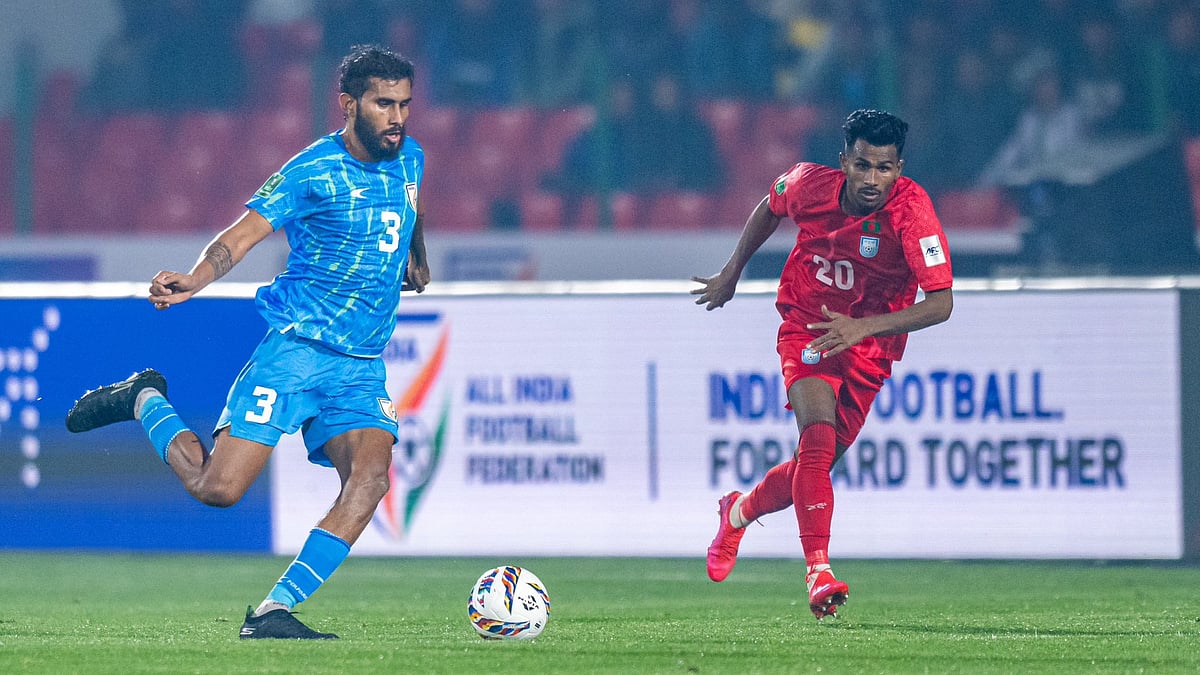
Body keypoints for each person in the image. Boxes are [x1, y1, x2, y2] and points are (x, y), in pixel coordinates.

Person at [64, 44, 430, 640]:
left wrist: (416, 259)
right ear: (348, 104)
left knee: (372, 480)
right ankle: (144, 399)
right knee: (218, 490)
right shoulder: (312, 169)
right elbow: (243, 236)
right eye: (383, 104)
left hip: (360, 366)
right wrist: (194, 280)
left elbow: (412, 210)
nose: (397, 118)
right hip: (297, 350)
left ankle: (271, 612)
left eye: (404, 105)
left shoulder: (409, 158)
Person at [691, 109, 953, 620]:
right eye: (862, 166)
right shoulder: (810, 182)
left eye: (884, 168)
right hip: (808, 323)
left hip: (868, 345)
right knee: (816, 438)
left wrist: (864, 328)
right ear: (844, 162)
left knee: (813, 470)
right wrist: (732, 271)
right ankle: (818, 571)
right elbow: (770, 205)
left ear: (899, 169)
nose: (872, 179)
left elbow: (941, 302)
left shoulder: (912, 211)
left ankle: (738, 511)